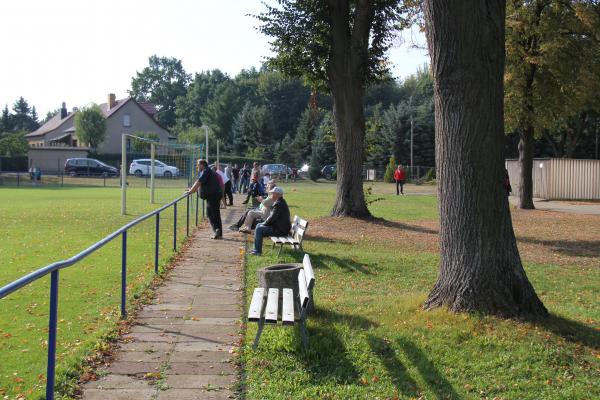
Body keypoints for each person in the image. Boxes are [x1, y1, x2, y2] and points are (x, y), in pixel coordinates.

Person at [186, 159, 222, 239]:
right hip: (215, 195)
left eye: (198, 165)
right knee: (215, 214)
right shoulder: (208, 171)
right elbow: (199, 183)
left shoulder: (206, 171)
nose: (197, 167)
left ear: (202, 165)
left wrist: (190, 191)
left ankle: (216, 230)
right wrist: (191, 190)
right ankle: (218, 232)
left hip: (213, 196)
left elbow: (199, 182)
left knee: (211, 214)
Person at [250, 187, 291, 256]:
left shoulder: (279, 204)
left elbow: (272, 218)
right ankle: (256, 249)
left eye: (272, 193)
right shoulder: (280, 202)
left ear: (277, 194)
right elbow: (272, 218)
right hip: (280, 227)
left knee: (259, 229)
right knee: (258, 225)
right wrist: (263, 223)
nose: (271, 195)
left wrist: (264, 223)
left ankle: (258, 251)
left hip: (280, 230)